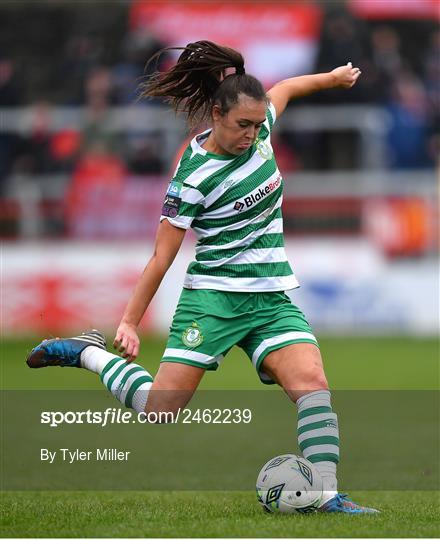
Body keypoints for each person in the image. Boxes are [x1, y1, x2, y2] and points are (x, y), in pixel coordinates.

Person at [27, 40, 377, 514]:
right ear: (216, 114)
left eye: (258, 126)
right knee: (159, 411)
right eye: (242, 126)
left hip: (270, 296)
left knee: (313, 383)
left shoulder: (262, 120)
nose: (252, 135)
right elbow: (160, 258)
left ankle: (327, 495)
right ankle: (86, 352)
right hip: (212, 300)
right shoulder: (192, 177)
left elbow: (288, 87)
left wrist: (332, 79)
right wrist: (129, 322)